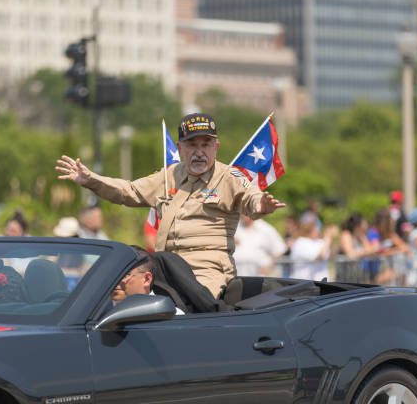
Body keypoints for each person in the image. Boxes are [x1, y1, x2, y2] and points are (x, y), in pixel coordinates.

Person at [56, 113, 285, 298]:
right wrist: (91, 180)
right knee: (118, 301)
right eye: (192, 145)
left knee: (186, 316)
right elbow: (130, 191)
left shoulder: (229, 177)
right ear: (180, 148)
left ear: (216, 147)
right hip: (164, 269)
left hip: (205, 272)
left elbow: (250, 197)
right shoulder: (169, 176)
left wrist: (260, 206)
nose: (199, 152)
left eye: (206, 144)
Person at [112, 248, 185, 315]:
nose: (115, 280)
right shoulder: (103, 313)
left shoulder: (171, 316)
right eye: (113, 274)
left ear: (147, 279)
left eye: (125, 274)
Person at [289, 216, 338, 281]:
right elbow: (317, 256)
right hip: (302, 282)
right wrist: (328, 237)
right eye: (315, 229)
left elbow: (332, 255)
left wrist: (331, 239)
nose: (318, 231)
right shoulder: (300, 242)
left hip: (320, 281)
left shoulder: (319, 242)